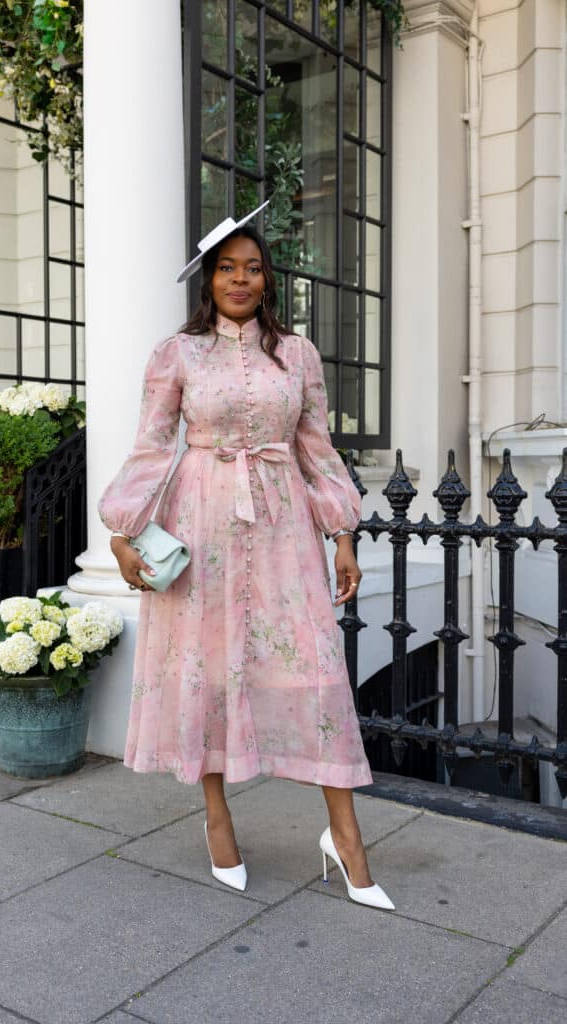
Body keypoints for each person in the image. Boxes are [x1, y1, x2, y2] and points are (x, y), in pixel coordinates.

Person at [98, 202, 394, 911]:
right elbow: (151, 445)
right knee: (206, 664)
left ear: (268, 278)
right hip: (200, 519)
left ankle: (345, 837)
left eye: (253, 268)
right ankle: (217, 815)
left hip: (283, 522)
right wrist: (121, 529)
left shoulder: (297, 354)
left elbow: (316, 448)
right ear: (208, 279)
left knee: (313, 666)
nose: (240, 279)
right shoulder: (177, 354)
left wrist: (342, 534)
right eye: (227, 268)